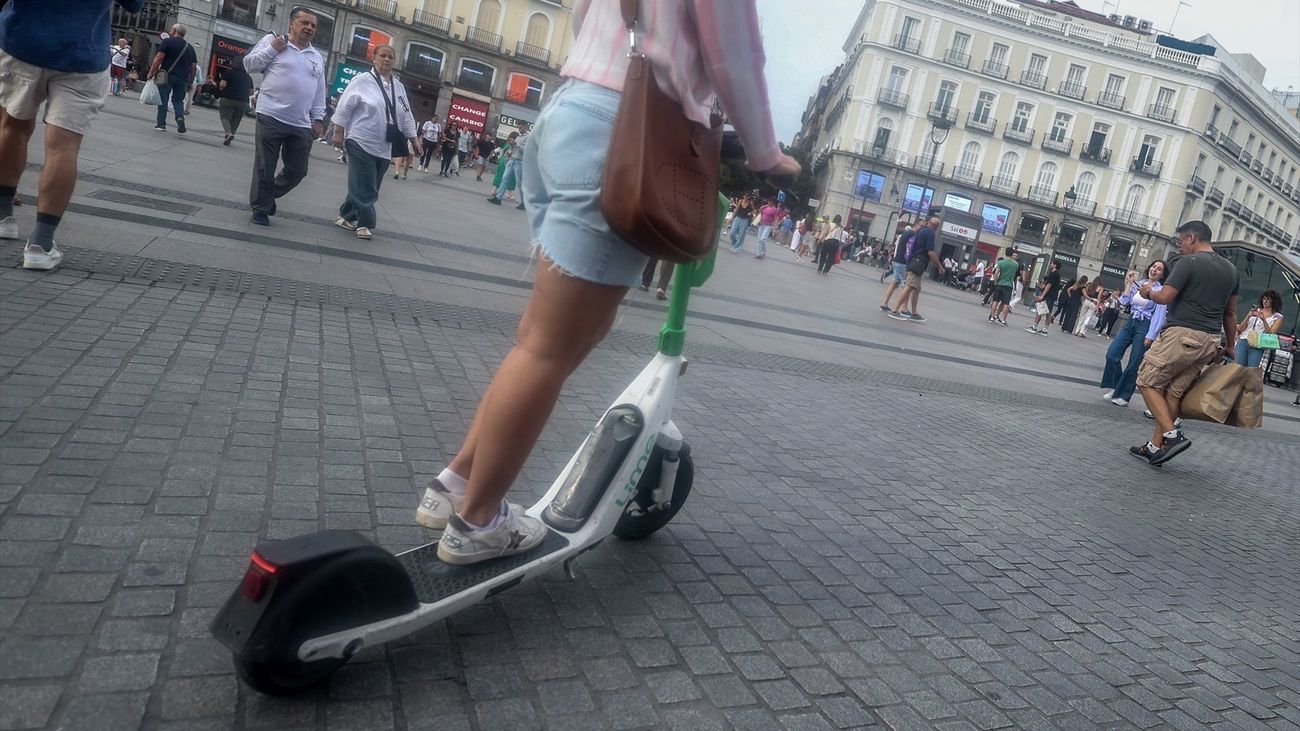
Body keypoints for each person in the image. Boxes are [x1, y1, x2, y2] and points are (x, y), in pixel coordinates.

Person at [415, 0, 799, 565]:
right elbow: (736, 56)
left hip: (570, 112)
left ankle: (455, 484)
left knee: (556, 337)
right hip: (624, 132)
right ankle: (478, 523)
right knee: (547, 348)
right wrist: (767, 153)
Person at [0, 0, 145, 270]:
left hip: (22, 40)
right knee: (63, 147)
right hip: (82, 53)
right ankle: (40, 245)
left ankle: (2, 215)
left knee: (12, 125)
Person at [1131, 221, 1239, 465]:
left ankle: (1172, 436)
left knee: (1146, 381)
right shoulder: (1232, 270)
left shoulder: (1188, 263)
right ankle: (1154, 447)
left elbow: (1165, 297)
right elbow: (1231, 313)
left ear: (1192, 238)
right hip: (1210, 339)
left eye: (1181, 241)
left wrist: (1148, 292)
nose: (1180, 246)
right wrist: (1230, 345)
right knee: (1174, 392)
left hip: (1182, 335)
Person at [243, 8, 327, 226]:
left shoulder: (316, 57)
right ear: (291, 23)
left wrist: (318, 119)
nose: (309, 28)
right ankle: (260, 208)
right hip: (270, 115)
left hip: (300, 123)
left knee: (298, 170)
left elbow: (319, 91)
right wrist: (272, 50)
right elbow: (249, 65)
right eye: (304, 22)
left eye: (313, 25)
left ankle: (267, 194)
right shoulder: (273, 41)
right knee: (265, 165)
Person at [330, 44, 419, 241]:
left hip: (385, 145)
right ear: (374, 58)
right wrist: (338, 132)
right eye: (382, 56)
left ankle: (345, 216)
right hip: (360, 140)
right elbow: (344, 106)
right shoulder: (362, 81)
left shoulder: (399, 87)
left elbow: (406, 115)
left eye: (390, 57)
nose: (386, 60)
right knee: (367, 185)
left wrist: (414, 138)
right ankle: (365, 223)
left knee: (369, 184)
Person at [1100, 260, 1167, 407]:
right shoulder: (1140, 283)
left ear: (1162, 274)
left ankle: (1124, 395)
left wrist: (1152, 334)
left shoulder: (1160, 290)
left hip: (1146, 325)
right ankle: (1117, 387)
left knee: (1135, 361)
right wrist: (1129, 283)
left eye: (1159, 269)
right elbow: (1124, 302)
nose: (1155, 270)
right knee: (1112, 354)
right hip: (1131, 321)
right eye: (1154, 266)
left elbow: (1159, 315)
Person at [887, 217, 943, 322]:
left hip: (913, 260)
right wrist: (940, 267)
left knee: (917, 289)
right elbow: (931, 252)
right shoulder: (930, 233)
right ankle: (894, 311)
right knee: (909, 287)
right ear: (937, 227)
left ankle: (914, 313)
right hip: (919, 263)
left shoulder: (921, 231)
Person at [146, 24, 197, 133]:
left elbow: (159, 58)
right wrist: (190, 81)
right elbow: (193, 67)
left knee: (163, 99)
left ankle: (161, 124)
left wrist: (151, 72)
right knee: (178, 100)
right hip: (183, 78)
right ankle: (179, 118)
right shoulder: (190, 48)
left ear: (174, 31)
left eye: (171, 29)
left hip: (167, 75)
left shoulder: (168, 42)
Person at [1235, 290, 1285, 367]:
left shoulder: (1277, 317)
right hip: (1244, 340)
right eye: (1264, 299)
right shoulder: (1256, 311)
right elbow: (1241, 328)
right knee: (1238, 367)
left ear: (1274, 301)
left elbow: (1271, 334)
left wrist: (1263, 320)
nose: (1265, 301)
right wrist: (1248, 316)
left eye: (1268, 300)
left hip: (1258, 344)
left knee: (1252, 370)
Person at [486, 121, 528, 210]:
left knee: (520, 183)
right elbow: (515, 148)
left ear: (525, 127)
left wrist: (516, 144)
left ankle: (524, 203)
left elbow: (526, 150)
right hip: (512, 160)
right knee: (504, 179)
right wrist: (512, 145)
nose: (519, 130)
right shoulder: (519, 137)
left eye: (520, 128)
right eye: (518, 128)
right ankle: (498, 198)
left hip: (520, 162)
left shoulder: (529, 137)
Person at [216, 57, 253, 145]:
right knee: (236, 119)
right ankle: (231, 134)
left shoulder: (229, 72)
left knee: (225, 116)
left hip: (228, 98)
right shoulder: (248, 76)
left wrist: (221, 88)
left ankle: (228, 133)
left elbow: (222, 84)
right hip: (243, 101)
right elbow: (251, 91)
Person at [877, 226, 912, 310]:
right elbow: (908, 250)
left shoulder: (900, 236)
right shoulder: (908, 237)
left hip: (896, 259)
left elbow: (895, 247)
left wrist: (892, 256)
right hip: (902, 261)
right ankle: (903, 309)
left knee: (895, 282)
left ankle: (884, 304)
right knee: (906, 286)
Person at [1023, 259, 1060, 335]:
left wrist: (1042, 295)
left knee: (1040, 311)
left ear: (1055, 265)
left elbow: (1049, 285)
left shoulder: (1053, 274)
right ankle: (1045, 329)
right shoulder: (1057, 274)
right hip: (1052, 296)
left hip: (1048, 296)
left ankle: (1034, 327)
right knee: (1048, 312)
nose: (1050, 264)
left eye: (1051, 263)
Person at [986, 248, 1019, 326]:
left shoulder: (1001, 263)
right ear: (1012, 254)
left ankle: (992, 317)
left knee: (995, 301)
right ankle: (1004, 320)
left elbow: (996, 274)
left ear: (1005, 253)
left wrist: (996, 281)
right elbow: (1015, 274)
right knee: (1006, 303)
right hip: (1009, 285)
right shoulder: (1015, 264)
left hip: (1000, 284)